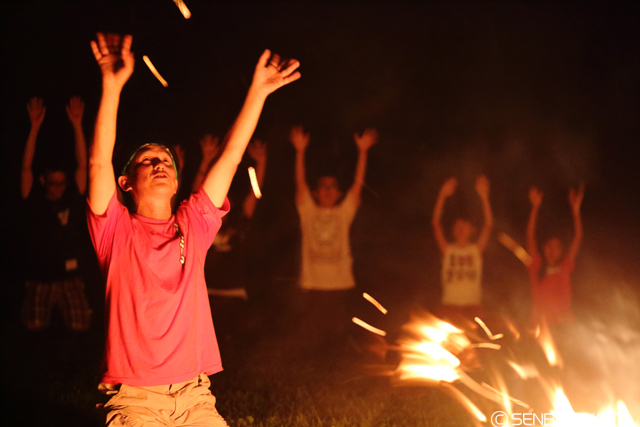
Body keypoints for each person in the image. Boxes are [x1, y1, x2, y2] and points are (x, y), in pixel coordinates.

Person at [86, 32, 299, 426]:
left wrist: (259, 92)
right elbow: (99, 163)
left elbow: (232, 156)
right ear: (126, 182)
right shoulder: (114, 229)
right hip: (135, 400)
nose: (160, 163)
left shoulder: (193, 226)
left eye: (166, 158)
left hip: (195, 397)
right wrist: (112, 86)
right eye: (147, 159)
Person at [289, 125, 377, 350]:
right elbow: (300, 183)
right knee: (310, 336)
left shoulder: (343, 212)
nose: (328, 190)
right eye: (323, 187)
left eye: (332, 187)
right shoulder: (308, 212)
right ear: (316, 193)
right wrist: (299, 152)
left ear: (339, 193)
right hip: (312, 284)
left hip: (340, 284)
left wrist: (363, 152)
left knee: (336, 339)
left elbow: (358, 185)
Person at [20, 95, 91, 332]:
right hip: (40, 278)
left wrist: (77, 125)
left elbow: (83, 166)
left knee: (81, 326)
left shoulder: (72, 196)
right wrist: (35, 127)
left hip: (70, 278)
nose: (57, 188)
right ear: (44, 181)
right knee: (34, 325)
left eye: (61, 183)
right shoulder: (35, 199)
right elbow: (26, 168)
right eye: (53, 183)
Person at [194, 135, 268, 343]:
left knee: (233, 346)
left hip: (234, 293)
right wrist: (206, 161)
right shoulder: (202, 221)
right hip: (206, 293)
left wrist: (260, 162)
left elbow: (256, 193)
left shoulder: (239, 220)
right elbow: (195, 195)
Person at [432, 176, 493, 324]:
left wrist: (484, 197)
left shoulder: (475, 250)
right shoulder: (448, 250)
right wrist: (442, 195)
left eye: (464, 226)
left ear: (472, 230)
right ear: (453, 230)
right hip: (449, 306)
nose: (460, 229)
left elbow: (488, 225)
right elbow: (435, 223)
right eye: (457, 226)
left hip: (472, 307)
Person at [526, 185, 584, 326]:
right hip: (541, 324)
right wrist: (534, 208)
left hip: (564, 324)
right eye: (549, 246)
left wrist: (575, 211)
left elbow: (577, 237)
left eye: (557, 247)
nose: (552, 250)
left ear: (561, 250)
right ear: (544, 248)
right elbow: (530, 236)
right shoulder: (537, 264)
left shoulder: (565, 266)